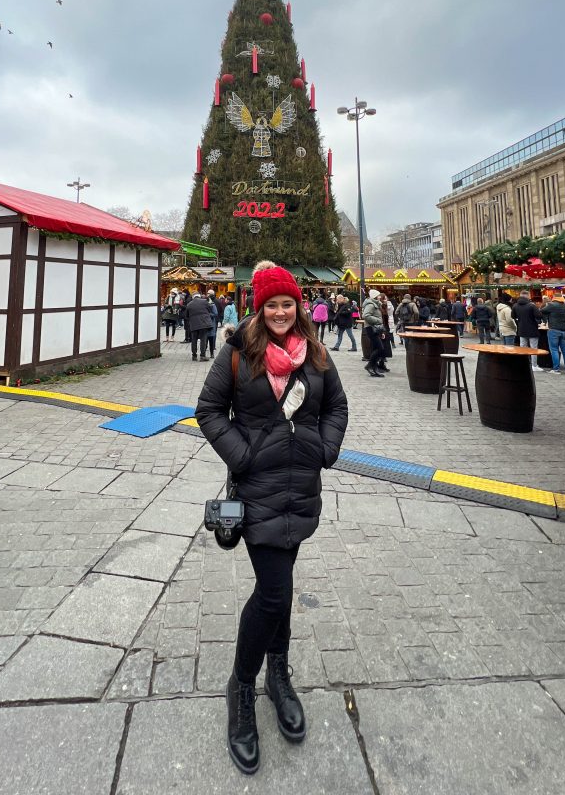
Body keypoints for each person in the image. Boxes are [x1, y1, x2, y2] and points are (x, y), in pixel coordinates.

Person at [195, 261, 348, 775]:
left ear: (298, 306)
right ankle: (242, 686)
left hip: (302, 490)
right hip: (258, 490)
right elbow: (209, 409)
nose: (281, 312)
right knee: (276, 592)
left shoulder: (318, 355)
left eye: (288, 304)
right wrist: (242, 457)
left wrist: (324, 449)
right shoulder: (238, 353)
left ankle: (277, 675)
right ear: (259, 309)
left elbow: (338, 407)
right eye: (271, 305)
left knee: (280, 586)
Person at [512, 290, 543, 370]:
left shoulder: (515, 305)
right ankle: (534, 366)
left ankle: (524, 364)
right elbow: (539, 316)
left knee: (523, 348)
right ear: (527, 296)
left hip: (521, 329)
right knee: (533, 348)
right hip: (532, 329)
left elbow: (513, 316)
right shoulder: (531, 306)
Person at [541, 293, 565, 373]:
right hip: (564, 330)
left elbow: (542, 311)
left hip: (554, 330)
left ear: (554, 298)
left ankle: (556, 369)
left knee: (554, 349)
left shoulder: (552, 305)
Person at [361, 289, 387, 377]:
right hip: (371, 328)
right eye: (378, 295)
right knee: (380, 348)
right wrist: (378, 320)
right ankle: (369, 366)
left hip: (375, 328)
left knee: (376, 348)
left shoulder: (376, 304)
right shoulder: (371, 304)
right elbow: (365, 315)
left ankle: (373, 367)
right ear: (375, 296)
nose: (380, 297)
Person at [184, 288, 213, 362]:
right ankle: (202, 356)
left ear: (193, 297)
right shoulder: (204, 301)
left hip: (194, 325)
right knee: (203, 340)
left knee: (194, 340)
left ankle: (194, 356)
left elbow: (186, 316)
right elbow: (210, 309)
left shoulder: (189, 304)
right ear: (199, 296)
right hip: (204, 324)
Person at [206, 290, 220, 359]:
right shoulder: (205, 304)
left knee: (211, 337)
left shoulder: (213, 304)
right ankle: (204, 352)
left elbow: (216, 313)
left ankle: (212, 352)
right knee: (206, 338)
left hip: (212, 322)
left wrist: (208, 314)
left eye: (208, 293)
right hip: (208, 323)